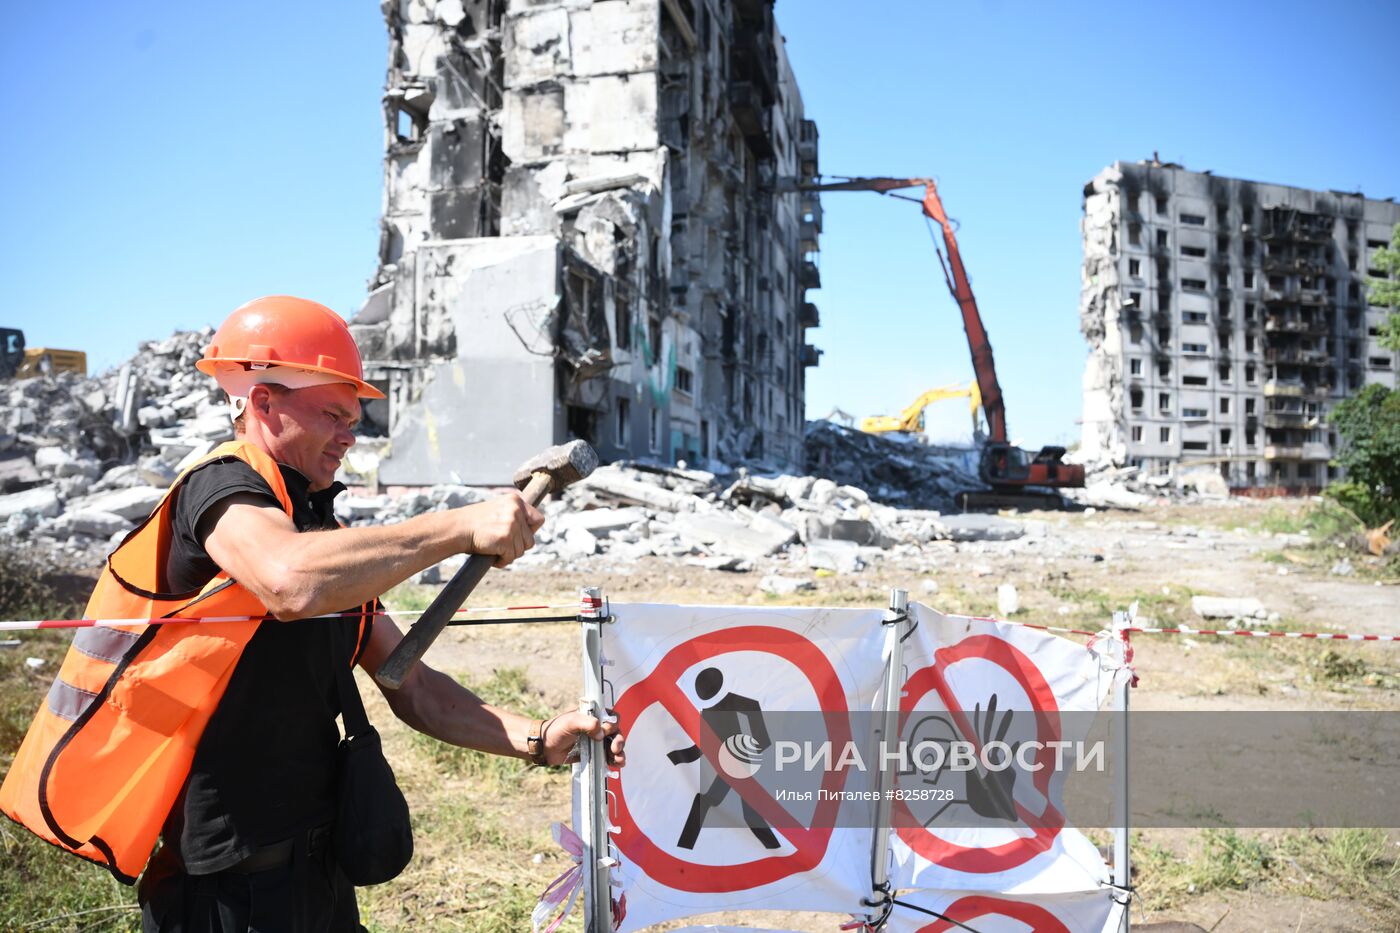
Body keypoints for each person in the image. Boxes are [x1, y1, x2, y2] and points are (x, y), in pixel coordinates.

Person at [0, 296, 624, 933]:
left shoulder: (320, 534)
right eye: (333, 415)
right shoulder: (217, 490)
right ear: (263, 402)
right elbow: (288, 581)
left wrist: (537, 737)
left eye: (353, 419)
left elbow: (413, 684)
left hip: (318, 873)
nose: (350, 436)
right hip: (224, 893)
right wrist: (459, 526)